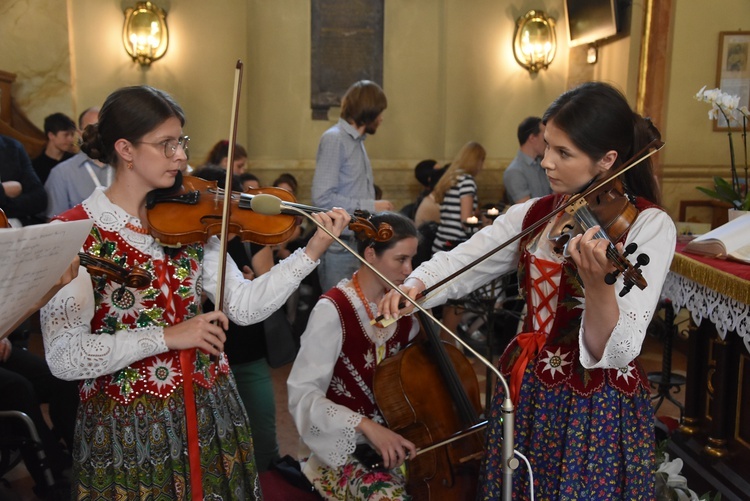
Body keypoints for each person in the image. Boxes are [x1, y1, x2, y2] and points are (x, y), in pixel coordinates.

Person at [40, 85, 349, 499]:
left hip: (211, 414)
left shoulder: (190, 220)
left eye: (181, 142)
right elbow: (64, 356)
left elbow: (242, 306)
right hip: (130, 426)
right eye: (166, 145)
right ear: (125, 149)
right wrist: (169, 336)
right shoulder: (73, 231)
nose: (182, 156)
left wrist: (310, 253)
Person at [379, 81, 676, 500]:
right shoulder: (535, 214)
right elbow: (463, 260)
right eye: (547, 146)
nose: (546, 162)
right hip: (528, 385)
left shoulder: (648, 226)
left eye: (563, 153)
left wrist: (598, 288)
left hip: (592, 403)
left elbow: (618, 348)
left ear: (608, 160)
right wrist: (416, 284)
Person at [287, 212, 420, 500]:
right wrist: (366, 427)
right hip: (341, 445)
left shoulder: (407, 308)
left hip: (398, 439)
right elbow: (303, 395)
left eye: (412, 259)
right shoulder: (333, 310)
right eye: (401, 259)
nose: (410, 270)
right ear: (370, 253)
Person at [312, 80, 395, 291]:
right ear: (369, 110)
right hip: (341, 246)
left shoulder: (357, 141)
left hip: (358, 242)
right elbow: (322, 199)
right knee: (339, 317)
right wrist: (371, 206)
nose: (382, 118)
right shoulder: (335, 139)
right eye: (379, 112)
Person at [44, 106, 115, 220]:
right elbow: (55, 223)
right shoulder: (61, 173)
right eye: (91, 129)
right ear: (80, 133)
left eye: (102, 128)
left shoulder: (126, 166)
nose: (98, 135)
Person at [431, 142, 485, 254]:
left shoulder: (451, 178)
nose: (482, 166)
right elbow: (466, 221)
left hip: (440, 243)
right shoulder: (467, 181)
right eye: (482, 161)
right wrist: (482, 235)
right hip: (456, 246)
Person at [0, 134, 47, 227]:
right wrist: (3, 190)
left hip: (14, 228)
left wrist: (3, 204)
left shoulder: (13, 147)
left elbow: (39, 199)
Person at [503, 116, 551, 204]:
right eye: (544, 136)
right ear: (532, 138)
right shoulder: (514, 171)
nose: (547, 141)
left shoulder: (541, 165)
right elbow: (527, 211)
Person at [32, 112, 77, 184]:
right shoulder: (36, 166)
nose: (71, 139)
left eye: (72, 134)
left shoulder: (75, 161)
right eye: (66, 135)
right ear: (51, 135)